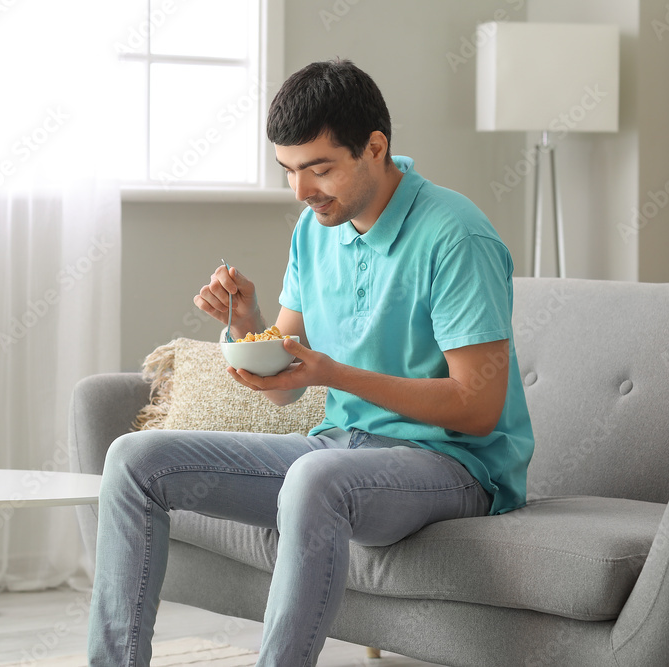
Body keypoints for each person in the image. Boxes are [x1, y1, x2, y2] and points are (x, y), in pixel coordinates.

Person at [87, 58, 534, 667]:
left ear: (375, 148)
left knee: (315, 478)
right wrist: (244, 325)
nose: (300, 191)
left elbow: (477, 410)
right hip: (338, 447)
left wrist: (333, 374)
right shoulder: (315, 228)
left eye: (319, 169)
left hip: (453, 467)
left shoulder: (457, 238)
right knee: (133, 458)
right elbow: (284, 388)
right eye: (290, 171)